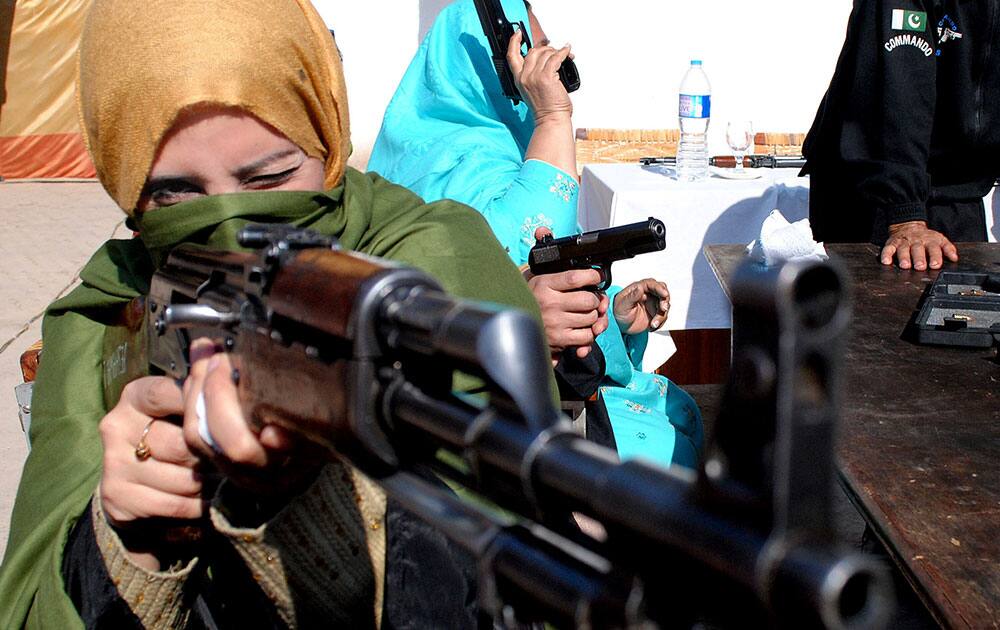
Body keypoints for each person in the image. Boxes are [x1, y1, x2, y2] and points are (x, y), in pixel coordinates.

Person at [0, 0, 548, 627]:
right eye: (173, 195)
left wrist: (322, 505)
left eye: (269, 179)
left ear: (327, 139)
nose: (232, 228)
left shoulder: (428, 266)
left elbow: (503, 581)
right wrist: (131, 541)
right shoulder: (105, 310)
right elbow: (34, 606)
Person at [369, 0, 702, 468]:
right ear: (497, 67)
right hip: (481, 423)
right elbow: (531, 255)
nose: (546, 69)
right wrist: (552, 116)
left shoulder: (500, 147)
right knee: (670, 455)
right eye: (536, 53)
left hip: (529, 401)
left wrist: (619, 314)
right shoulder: (451, 161)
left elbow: (550, 283)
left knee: (681, 419)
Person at [802, 0, 998, 271]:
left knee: (966, 304)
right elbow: (897, 88)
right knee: (884, 306)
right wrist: (906, 214)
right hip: (877, 187)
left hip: (960, 188)